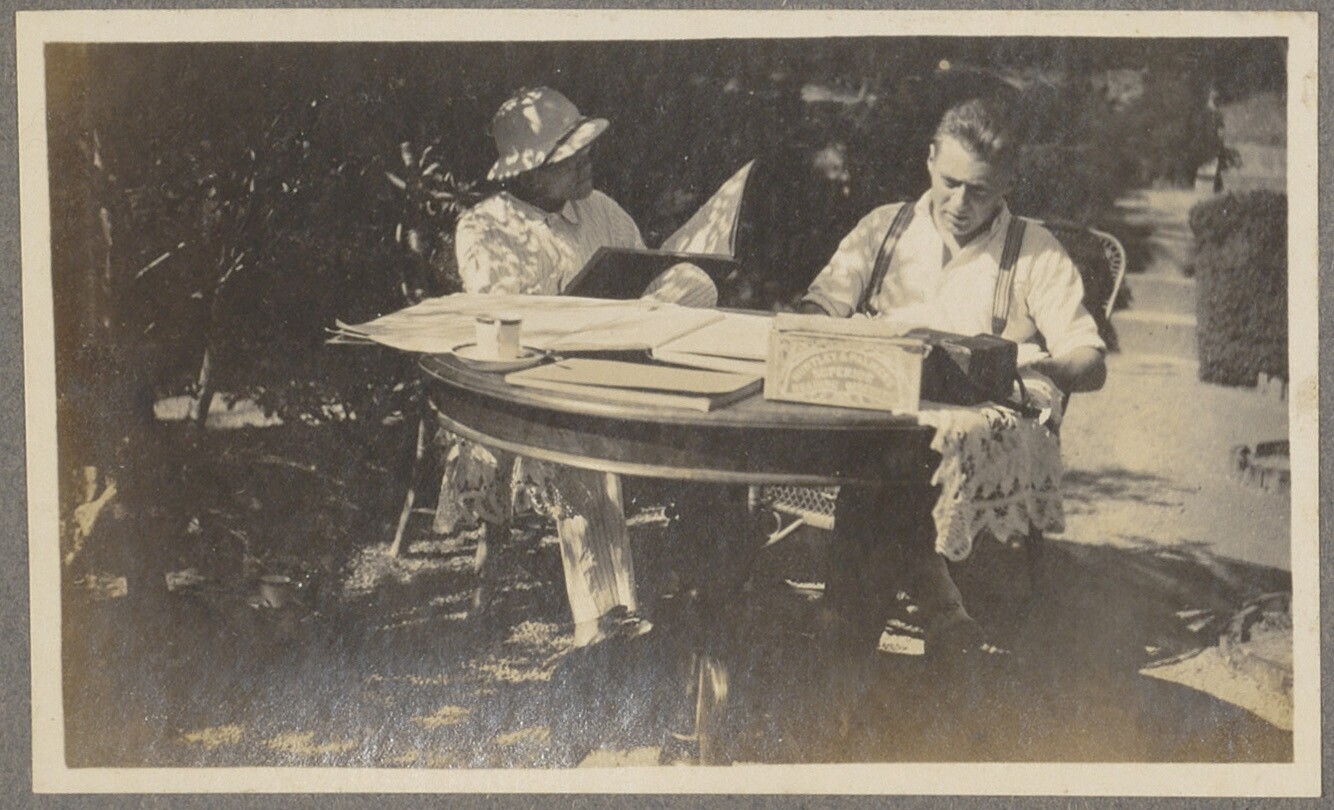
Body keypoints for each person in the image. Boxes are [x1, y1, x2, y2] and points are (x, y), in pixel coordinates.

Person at [798, 96, 1107, 661]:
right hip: (884, 412)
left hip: (980, 425)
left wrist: (1039, 368)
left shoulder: (1034, 250)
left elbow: (1089, 361)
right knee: (890, 454)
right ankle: (939, 606)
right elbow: (820, 307)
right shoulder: (884, 227)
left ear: (1008, 183)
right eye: (950, 182)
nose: (960, 204)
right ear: (930, 159)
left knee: (886, 470)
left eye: (980, 190)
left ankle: (845, 641)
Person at [444, 86, 717, 651]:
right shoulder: (485, 227)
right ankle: (604, 620)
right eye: (572, 156)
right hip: (533, 389)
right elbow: (506, 325)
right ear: (531, 170)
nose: (588, 161)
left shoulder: (600, 210)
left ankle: (708, 582)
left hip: (618, 360)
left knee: (696, 281)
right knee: (582, 440)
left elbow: (646, 274)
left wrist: (655, 290)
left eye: (586, 149)